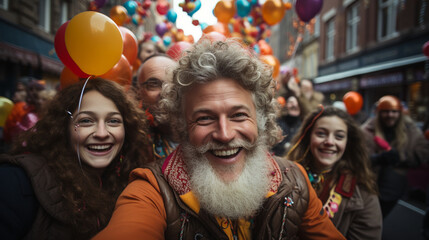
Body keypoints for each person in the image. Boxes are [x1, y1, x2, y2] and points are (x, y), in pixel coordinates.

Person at [93, 40, 345, 239]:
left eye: (238, 115)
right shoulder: (152, 189)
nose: (224, 134)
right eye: (204, 118)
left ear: (261, 119)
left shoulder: (295, 181)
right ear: (182, 125)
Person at [0, 78, 152, 239]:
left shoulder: (127, 184)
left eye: (113, 121)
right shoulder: (16, 180)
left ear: (127, 130)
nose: (101, 133)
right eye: (86, 121)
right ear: (62, 128)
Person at [287, 106, 382, 239]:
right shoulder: (286, 175)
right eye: (321, 133)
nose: (330, 142)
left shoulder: (362, 191)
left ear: (348, 142)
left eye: (339, 136)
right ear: (308, 137)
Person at [361, 95, 429, 218]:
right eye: (386, 111)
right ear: (379, 112)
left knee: (379, 218)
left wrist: (401, 157)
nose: (390, 115)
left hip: (394, 187)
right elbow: (356, 157)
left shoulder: (411, 130)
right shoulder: (366, 130)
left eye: (394, 112)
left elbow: (423, 152)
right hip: (368, 186)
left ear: (400, 113)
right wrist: (376, 159)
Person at [137, 54, 178, 160]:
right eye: (154, 84)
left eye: (172, 83)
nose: (165, 91)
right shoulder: (132, 142)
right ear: (139, 92)